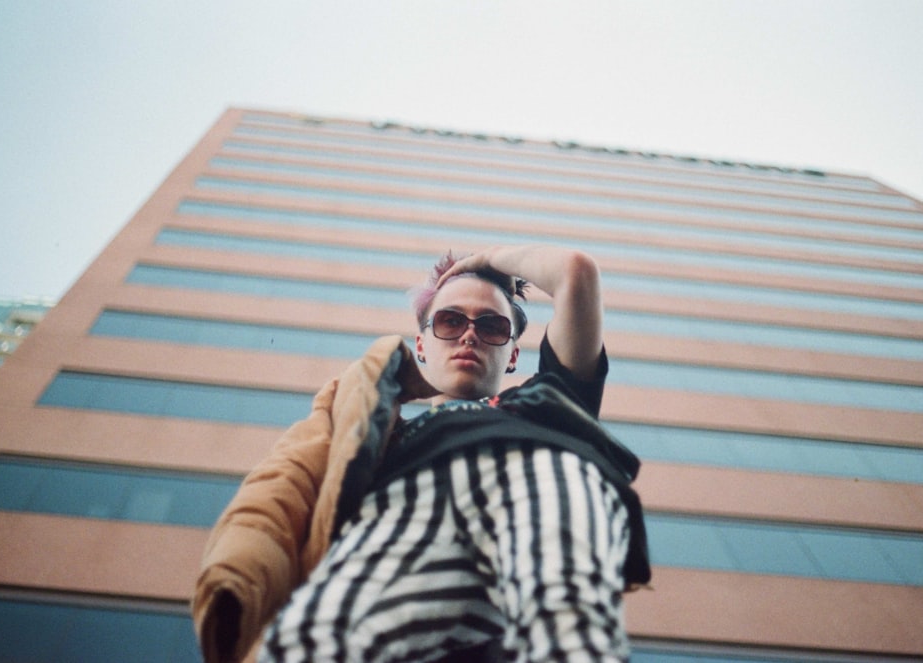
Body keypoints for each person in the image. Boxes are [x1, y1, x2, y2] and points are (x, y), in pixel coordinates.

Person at [193, 245, 650, 663]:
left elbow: (576, 272)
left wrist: (483, 261)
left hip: (535, 477)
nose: (469, 335)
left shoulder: (550, 403)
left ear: (512, 354)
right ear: (421, 343)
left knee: (570, 627)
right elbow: (280, 494)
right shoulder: (372, 430)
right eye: (450, 321)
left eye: (492, 326)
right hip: (404, 516)